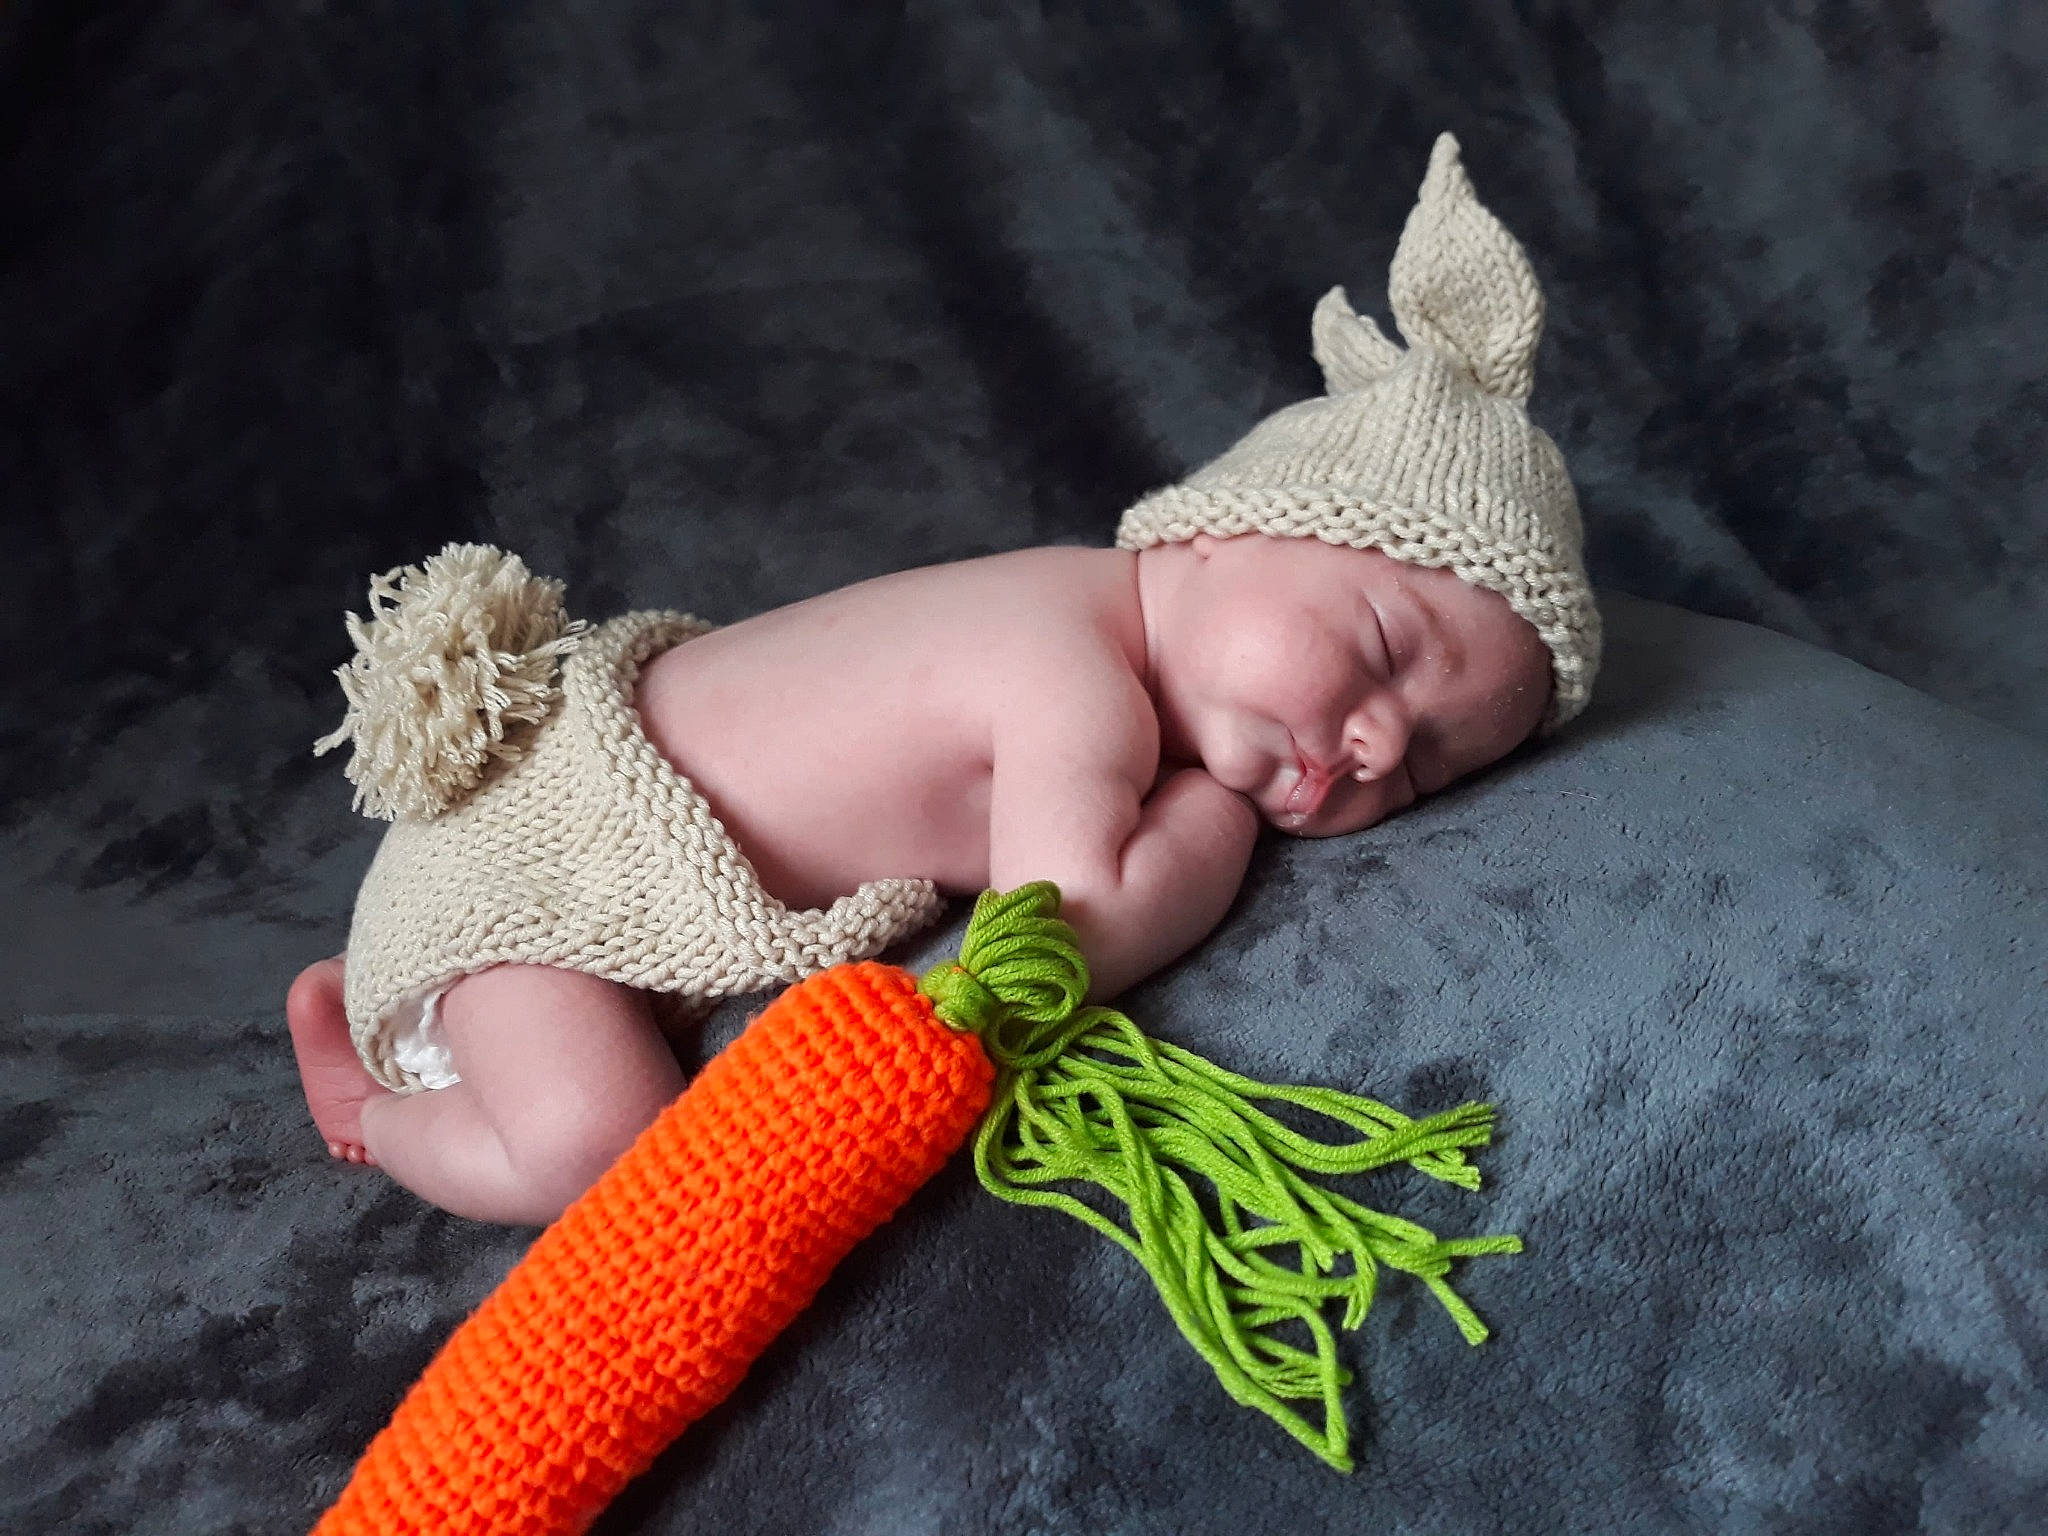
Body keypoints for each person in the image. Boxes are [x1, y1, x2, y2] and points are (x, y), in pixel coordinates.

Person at [288, 133, 1601, 1226]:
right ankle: (381, 1103)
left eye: (1429, 759)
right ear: (1219, 523)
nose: (1376, 743)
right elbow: (1061, 927)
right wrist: (1216, 821)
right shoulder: (1067, 668)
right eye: (1377, 650)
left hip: (587, 826)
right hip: (526, 870)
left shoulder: (1095, 629)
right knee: (598, 1141)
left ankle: (362, 994)